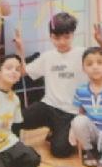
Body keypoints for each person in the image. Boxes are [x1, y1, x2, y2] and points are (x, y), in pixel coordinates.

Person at [26, 9, 90, 155]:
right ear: (50, 36)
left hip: (71, 112)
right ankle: (53, 127)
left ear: (73, 34)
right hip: (48, 105)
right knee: (17, 120)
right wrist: (19, 51)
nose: (61, 42)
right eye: (56, 37)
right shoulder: (47, 56)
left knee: (60, 150)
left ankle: (58, 131)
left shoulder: (83, 53)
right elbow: (26, 71)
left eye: (66, 37)